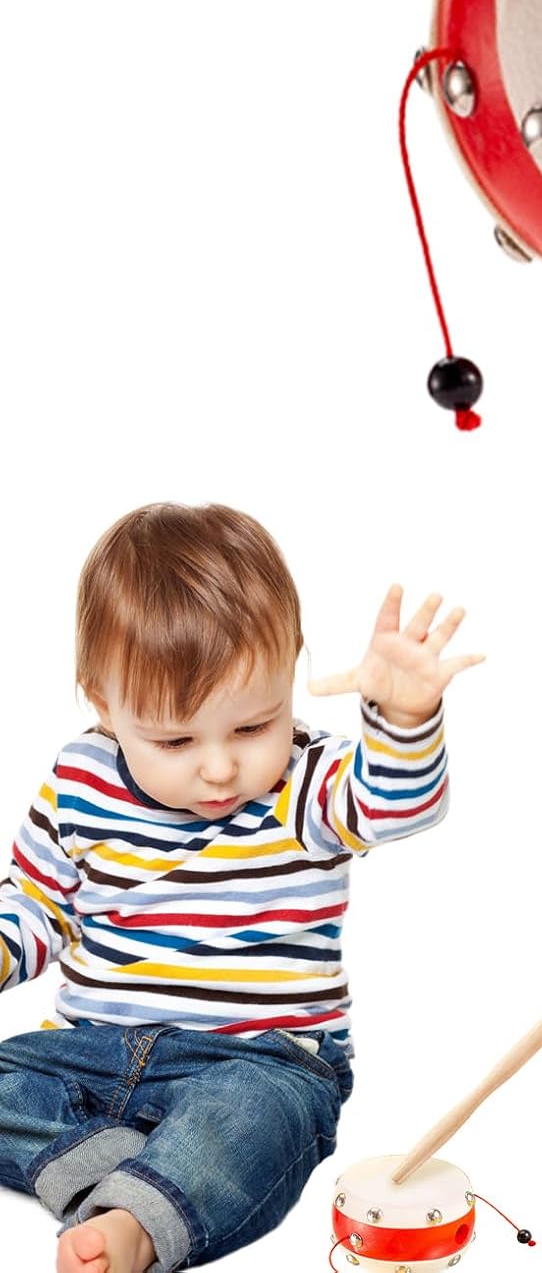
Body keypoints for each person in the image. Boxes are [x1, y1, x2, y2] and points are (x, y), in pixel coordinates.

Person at [0, 502, 482, 1273]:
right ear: (103, 703)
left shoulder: (305, 780)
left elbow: (397, 803)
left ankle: (138, 1224)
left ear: (290, 672)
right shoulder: (78, 779)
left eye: (253, 726)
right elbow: (38, 905)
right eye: (175, 740)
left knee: (254, 1122)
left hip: (259, 1059)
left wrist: (404, 717)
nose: (221, 768)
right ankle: (123, 1166)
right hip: (91, 1053)